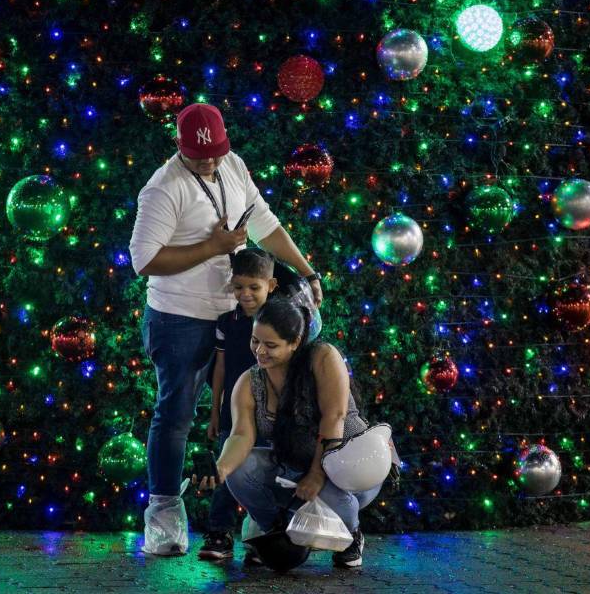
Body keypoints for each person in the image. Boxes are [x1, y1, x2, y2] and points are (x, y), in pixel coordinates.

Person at [129, 103, 323, 555]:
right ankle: (164, 517)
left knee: (249, 416)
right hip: (179, 318)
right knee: (175, 413)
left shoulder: (233, 165)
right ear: (180, 149)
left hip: (237, 318)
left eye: (217, 153)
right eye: (201, 158)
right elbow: (144, 261)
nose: (211, 163)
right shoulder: (163, 189)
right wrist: (211, 247)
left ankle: (252, 515)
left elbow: (264, 224)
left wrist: (307, 272)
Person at [211, 297, 396, 569]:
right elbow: (241, 436)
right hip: (295, 470)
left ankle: (351, 534)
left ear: (295, 342)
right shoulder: (250, 381)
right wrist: (221, 469)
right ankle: (280, 531)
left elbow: (334, 417)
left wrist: (316, 475)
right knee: (240, 471)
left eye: (270, 345)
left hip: (351, 469)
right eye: (255, 341)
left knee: (329, 492)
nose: (259, 351)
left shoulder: (322, 357)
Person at [199, 249, 277, 562]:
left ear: (270, 285)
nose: (245, 294)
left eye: (254, 287)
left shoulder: (280, 320)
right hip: (233, 410)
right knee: (227, 471)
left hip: (270, 413)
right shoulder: (226, 322)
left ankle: (264, 537)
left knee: (267, 471)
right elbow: (219, 367)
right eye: (239, 287)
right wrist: (214, 410)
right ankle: (219, 532)